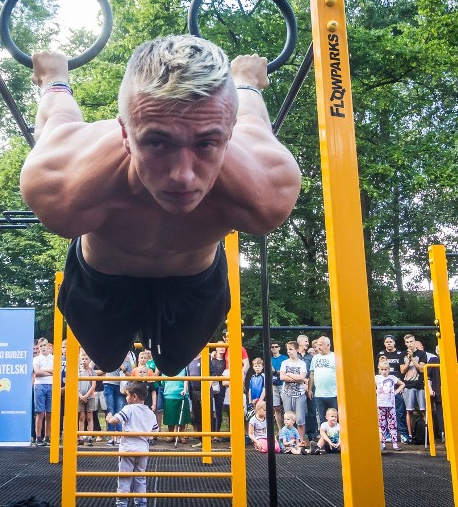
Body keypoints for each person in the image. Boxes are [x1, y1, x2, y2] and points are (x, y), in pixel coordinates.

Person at [23, 36, 302, 376]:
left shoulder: (266, 188)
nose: (182, 176)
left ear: (230, 133)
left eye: (206, 142)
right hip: (102, 281)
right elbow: (59, 119)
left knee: (173, 365)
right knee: (106, 361)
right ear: (125, 132)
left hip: (193, 283)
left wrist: (248, 84)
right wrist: (54, 80)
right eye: (157, 141)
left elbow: (254, 121)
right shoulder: (61, 183)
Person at [106, 381, 158, 507]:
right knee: (140, 477)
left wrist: (108, 418)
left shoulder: (128, 409)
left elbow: (115, 420)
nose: (126, 398)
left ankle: (122, 503)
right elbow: (155, 431)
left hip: (128, 448)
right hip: (142, 449)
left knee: (124, 477)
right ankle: (140, 502)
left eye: (127, 395)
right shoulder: (150, 413)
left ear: (134, 396)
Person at [377, 334, 407, 444]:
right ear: (384, 343)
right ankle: (386, 436)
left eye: (391, 341)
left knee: (399, 412)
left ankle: (403, 433)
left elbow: (402, 371)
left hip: (394, 385)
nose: (389, 343)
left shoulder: (400, 353)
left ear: (394, 342)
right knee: (382, 417)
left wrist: (396, 391)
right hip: (382, 391)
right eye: (387, 342)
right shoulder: (380, 354)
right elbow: (377, 373)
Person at [400, 334, 427, 444]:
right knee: (409, 411)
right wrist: (408, 360)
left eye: (411, 341)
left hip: (419, 385)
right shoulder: (402, 354)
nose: (410, 344)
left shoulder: (422, 353)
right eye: (407, 342)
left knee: (424, 410)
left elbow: (422, 369)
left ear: (415, 342)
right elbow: (402, 370)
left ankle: (426, 434)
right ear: (405, 343)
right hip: (408, 386)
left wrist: (413, 360)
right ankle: (410, 435)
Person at [279, 341, 308, 444]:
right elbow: (282, 377)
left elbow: (302, 377)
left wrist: (290, 374)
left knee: (300, 419)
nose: (289, 352)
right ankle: (288, 441)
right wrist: (297, 378)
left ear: (296, 350)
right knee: (288, 418)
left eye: (291, 349)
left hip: (299, 394)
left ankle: (301, 441)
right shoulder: (285, 363)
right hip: (287, 394)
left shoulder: (302, 363)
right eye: (287, 350)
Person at [376, 356, 404, 451]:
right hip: (380, 404)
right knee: (381, 424)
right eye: (382, 369)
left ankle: (395, 443)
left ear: (389, 369)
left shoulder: (392, 377)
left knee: (392, 424)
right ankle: (382, 442)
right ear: (379, 369)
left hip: (390, 405)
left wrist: (396, 392)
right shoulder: (376, 378)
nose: (384, 371)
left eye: (386, 369)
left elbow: (402, 384)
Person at [308, 336, 337, 428]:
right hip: (319, 394)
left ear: (328, 345)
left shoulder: (335, 356)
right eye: (317, 345)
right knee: (322, 419)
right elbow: (311, 374)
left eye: (320, 345)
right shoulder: (315, 358)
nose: (318, 347)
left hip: (334, 394)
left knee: (335, 418)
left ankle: (336, 439)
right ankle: (324, 440)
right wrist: (309, 389)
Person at [32, 337, 54, 447]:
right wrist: (50, 372)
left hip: (51, 385)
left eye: (44, 345)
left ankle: (48, 436)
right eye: (40, 346)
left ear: (48, 346)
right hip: (39, 385)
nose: (42, 347)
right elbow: (37, 372)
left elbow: (56, 370)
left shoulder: (54, 358)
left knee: (49, 413)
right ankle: (38, 437)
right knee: (39, 413)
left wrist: (43, 371)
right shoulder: (36, 359)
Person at [162, 368, 190, 444]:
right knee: (170, 416)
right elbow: (163, 382)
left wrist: (184, 389)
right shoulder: (165, 369)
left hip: (181, 394)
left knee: (182, 417)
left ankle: (181, 435)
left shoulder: (184, 369)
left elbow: (186, 379)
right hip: (169, 394)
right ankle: (171, 434)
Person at [76, 353, 97, 446]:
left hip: (90, 397)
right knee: (81, 416)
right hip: (80, 396)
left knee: (89, 416)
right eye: (82, 359)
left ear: (89, 361)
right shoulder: (78, 371)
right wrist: (80, 395)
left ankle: (90, 437)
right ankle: (80, 437)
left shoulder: (92, 372)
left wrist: (86, 396)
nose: (84, 360)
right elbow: (75, 384)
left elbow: (93, 385)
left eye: (86, 359)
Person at [269, 341, 288, 428]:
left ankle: (289, 427)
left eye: (276, 347)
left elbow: (287, 371)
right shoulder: (269, 359)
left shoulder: (285, 358)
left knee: (286, 407)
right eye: (272, 347)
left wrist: (275, 371)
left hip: (284, 384)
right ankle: (280, 429)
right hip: (273, 385)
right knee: (276, 408)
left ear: (279, 348)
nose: (274, 348)